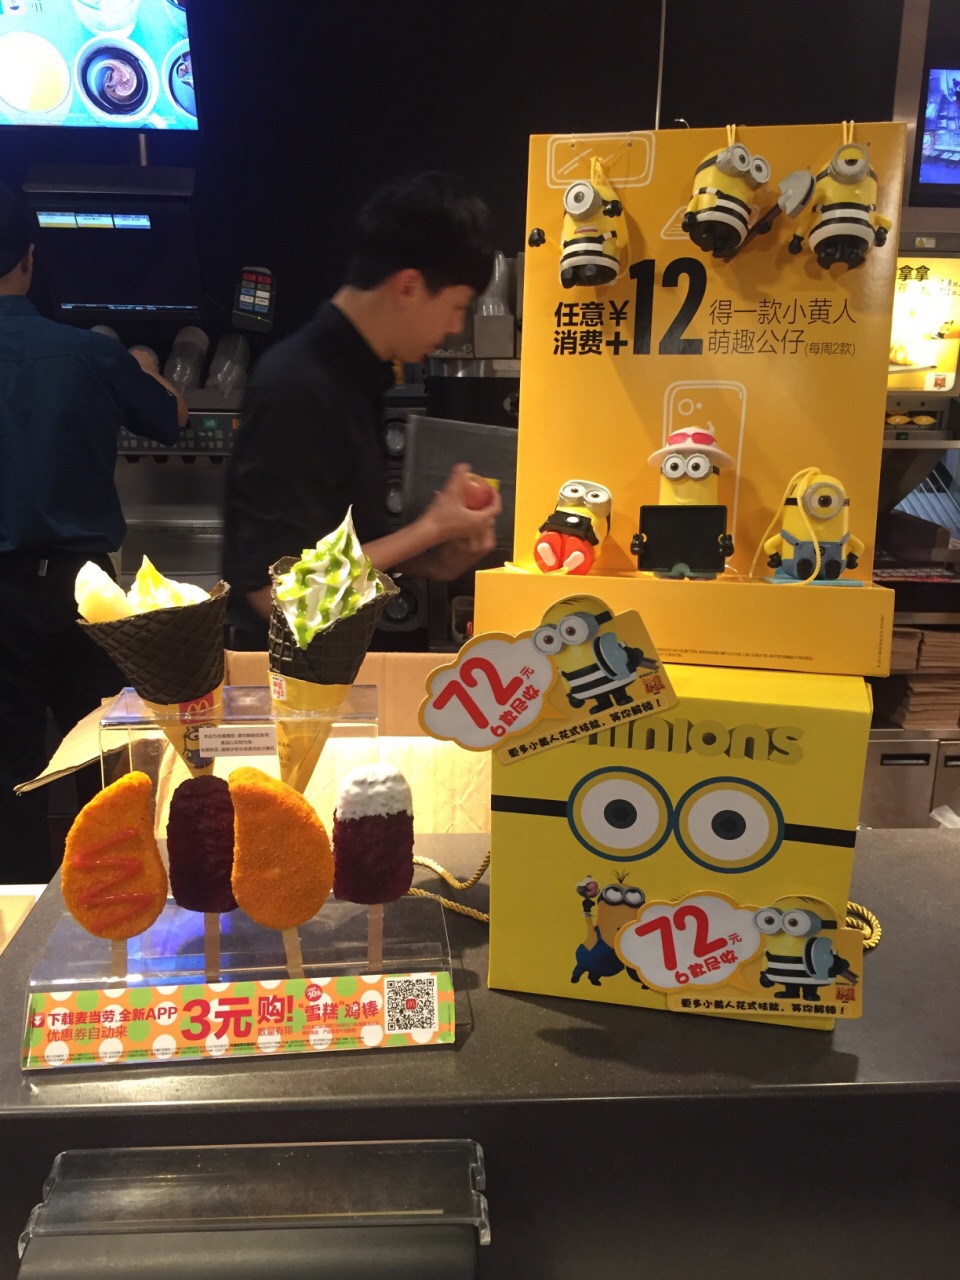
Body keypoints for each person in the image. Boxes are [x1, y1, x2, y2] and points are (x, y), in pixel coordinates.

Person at [223, 171, 504, 648]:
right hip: (287, 677)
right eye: (458, 306)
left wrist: (435, 562)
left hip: (335, 663)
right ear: (409, 287)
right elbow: (277, 597)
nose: (455, 327)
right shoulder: (299, 386)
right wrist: (429, 529)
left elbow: (337, 552)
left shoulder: (355, 376)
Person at [0, 182, 188, 884]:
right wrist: (145, 367)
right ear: (29, 258)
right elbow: (171, 417)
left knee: (9, 774)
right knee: (105, 760)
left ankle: (15, 915)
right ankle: (114, 906)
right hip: (84, 594)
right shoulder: (87, 354)